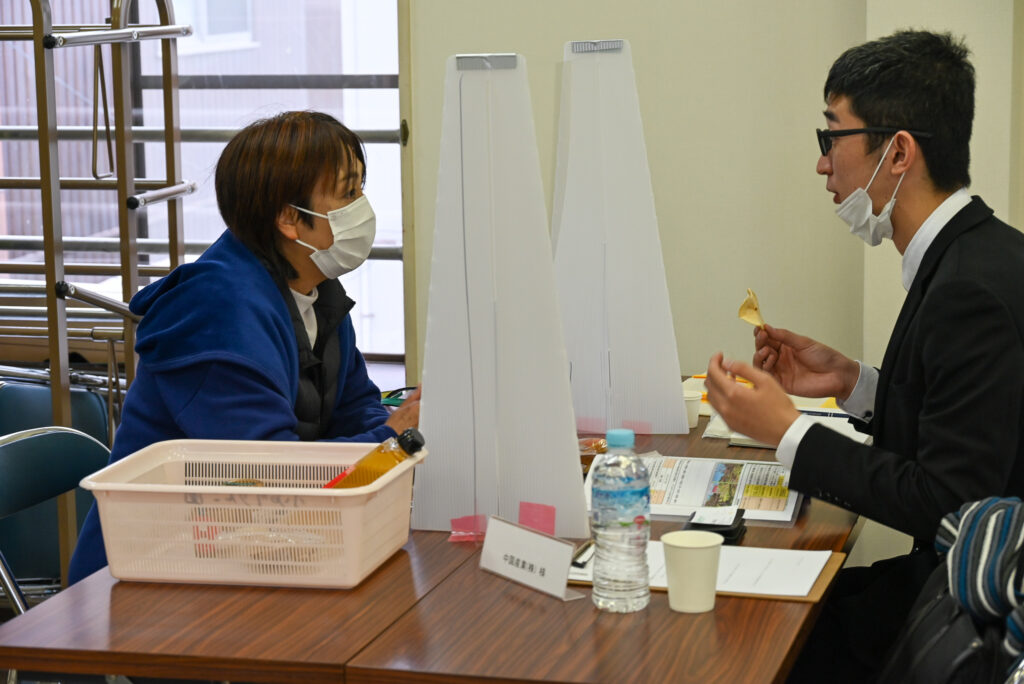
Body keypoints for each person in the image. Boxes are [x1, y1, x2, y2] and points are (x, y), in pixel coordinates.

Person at [704, 30, 1024, 683]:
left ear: (897, 151)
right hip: (952, 579)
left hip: (969, 608)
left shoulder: (970, 289)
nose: (823, 163)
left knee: (750, 637)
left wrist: (787, 431)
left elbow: (946, 500)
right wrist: (853, 382)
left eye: (832, 137)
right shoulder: (973, 253)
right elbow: (961, 426)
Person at [68, 111, 421, 583]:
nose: (362, 206)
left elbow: (355, 408)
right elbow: (269, 476)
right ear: (289, 219)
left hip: (248, 550)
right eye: (347, 192)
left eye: (361, 188)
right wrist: (394, 444)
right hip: (147, 576)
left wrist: (395, 436)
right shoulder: (219, 312)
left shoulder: (314, 290)